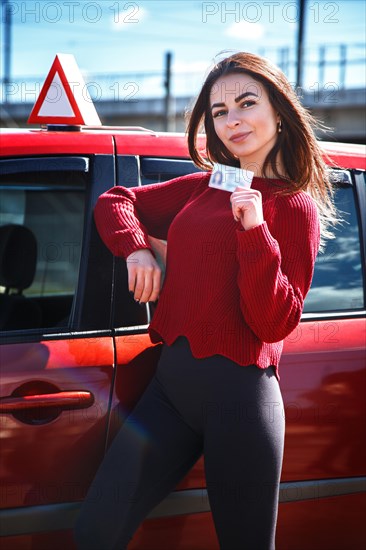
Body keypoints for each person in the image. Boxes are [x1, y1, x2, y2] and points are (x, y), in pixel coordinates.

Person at [75, 52, 336, 550]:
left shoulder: (293, 204)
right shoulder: (207, 185)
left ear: (278, 112)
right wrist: (136, 250)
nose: (232, 120)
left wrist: (254, 231)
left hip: (240, 399)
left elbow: (274, 320)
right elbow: (115, 201)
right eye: (219, 112)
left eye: (246, 103)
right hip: (169, 392)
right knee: (94, 532)